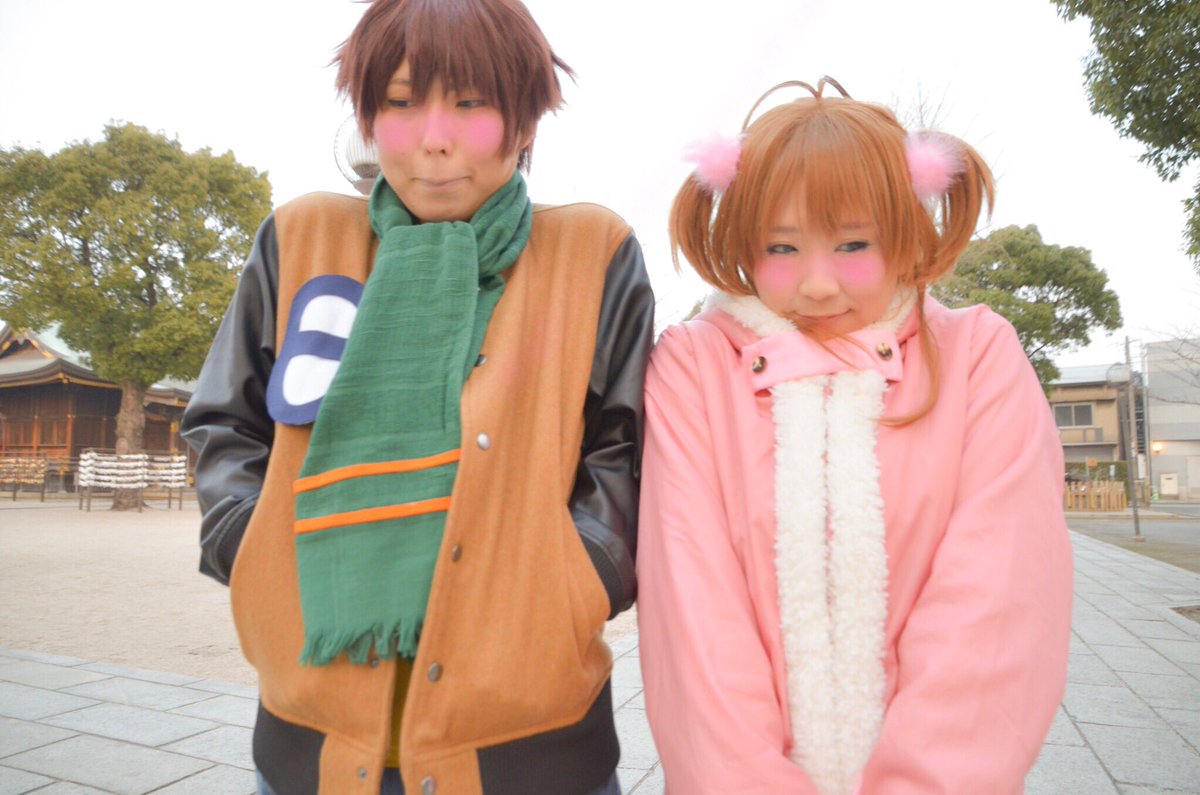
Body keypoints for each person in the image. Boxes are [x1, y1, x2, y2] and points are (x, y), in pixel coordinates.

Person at [181, 1, 654, 792]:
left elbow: (626, 448)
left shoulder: (591, 251)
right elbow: (226, 419)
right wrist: (251, 545)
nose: (434, 138)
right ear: (369, 117)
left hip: (534, 743)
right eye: (401, 103)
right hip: (312, 739)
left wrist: (577, 578)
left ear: (525, 121)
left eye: (471, 103)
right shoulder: (302, 239)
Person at [636, 78, 1072, 794]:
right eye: (781, 246)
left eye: (853, 244)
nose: (817, 284)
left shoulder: (977, 357)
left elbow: (998, 596)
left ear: (902, 232)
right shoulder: (694, 368)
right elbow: (693, 611)